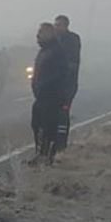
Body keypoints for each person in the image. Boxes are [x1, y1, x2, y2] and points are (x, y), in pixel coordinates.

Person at [30, 23, 69, 165]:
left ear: (49, 34)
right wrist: (35, 85)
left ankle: (47, 156)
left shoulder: (57, 52)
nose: (37, 35)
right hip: (41, 97)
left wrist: (45, 86)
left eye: (41, 32)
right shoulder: (43, 51)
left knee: (48, 127)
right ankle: (40, 152)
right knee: (36, 124)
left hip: (52, 97)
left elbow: (61, 74)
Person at [54, 15, 81, 151]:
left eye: (59, 25)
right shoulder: (54, 40)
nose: (56, 27)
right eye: (55, 24)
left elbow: (72, 62)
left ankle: (61, 146)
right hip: (53, 85)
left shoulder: (73, 40)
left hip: (67, 86)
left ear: (66, 26)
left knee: (62, 115)